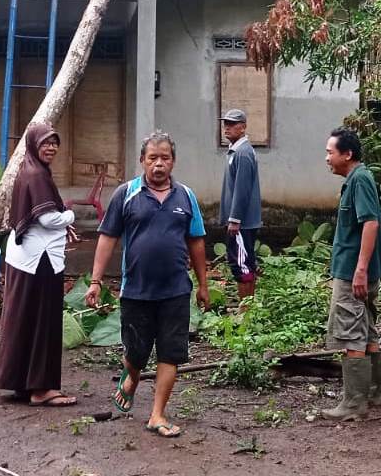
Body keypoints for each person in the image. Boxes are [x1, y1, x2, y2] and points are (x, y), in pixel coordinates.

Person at [85, 131, 211, 437]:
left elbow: (196, 242)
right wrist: (95, 280)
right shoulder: (125, 194)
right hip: (137, 291)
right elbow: (108, 238)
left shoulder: (186, 196)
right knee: (136, 352)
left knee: (171, 352)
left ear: (173, 162)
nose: (158, 164)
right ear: (142, 161)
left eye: (164, 158)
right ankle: (132, 377)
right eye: (152, 158)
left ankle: (157, 414)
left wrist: (203, 284)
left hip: (176, 290)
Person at [0, 123, 79, 406]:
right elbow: (47, 219)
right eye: (45, 143)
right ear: (33, 145)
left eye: (55, 143)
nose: (51, 148)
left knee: (24, 319)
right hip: (39, 261)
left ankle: (21, 382)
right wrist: (69, 216)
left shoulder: (31, 171)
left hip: (27, 259)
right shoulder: (36, 175)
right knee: (43, 321)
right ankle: (41, 388)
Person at [321, 127, 381, 420]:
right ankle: (375, 394)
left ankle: (353, 404)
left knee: (351, 335)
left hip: (354, 273)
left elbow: (370, 223)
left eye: (330, 152)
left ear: (347, 154)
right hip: (358, 270)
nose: (326, 158)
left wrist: (360, 270)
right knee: (367, 330)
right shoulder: (358, 179)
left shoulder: (360, 180)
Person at [218, 109, 262, 300]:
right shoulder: (237, 151)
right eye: (225, 124)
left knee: (241, 264)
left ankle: (246, 310)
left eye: (232, 124)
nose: (227, 128)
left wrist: (235, 219)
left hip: (241, 224)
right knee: (245, 262)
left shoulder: (242, 153)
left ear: (243, 127)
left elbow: (242, 190)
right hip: (240, 222)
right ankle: (248, 308)